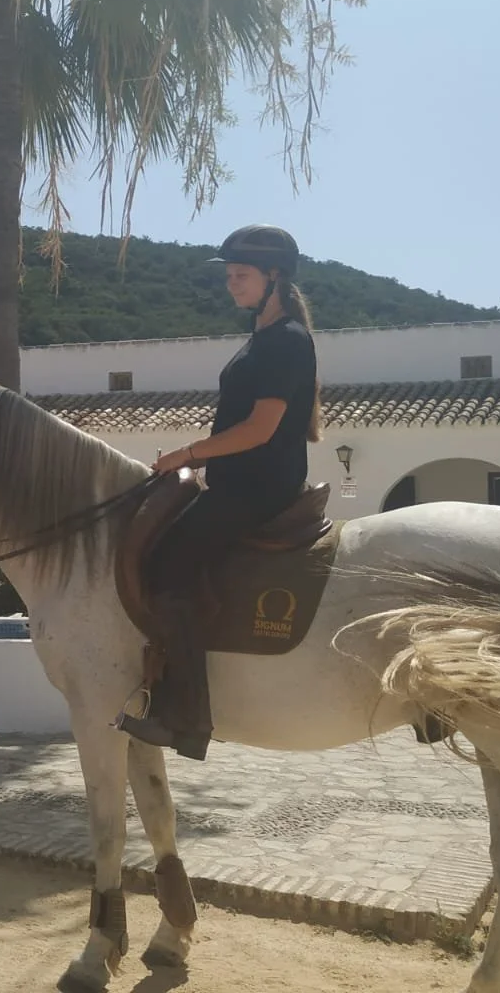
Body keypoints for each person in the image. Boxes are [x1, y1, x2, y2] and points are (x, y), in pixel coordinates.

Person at [119, 224, 322, 760]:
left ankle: (184, 716)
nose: (232, 284)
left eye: (241, 275)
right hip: (241, 481)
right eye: (229, 275)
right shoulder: (264, 338)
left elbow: (260, 429)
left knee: (168, 565)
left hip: (258, 487)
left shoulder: (285, 342)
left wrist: (189, 454)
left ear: (273, 276)